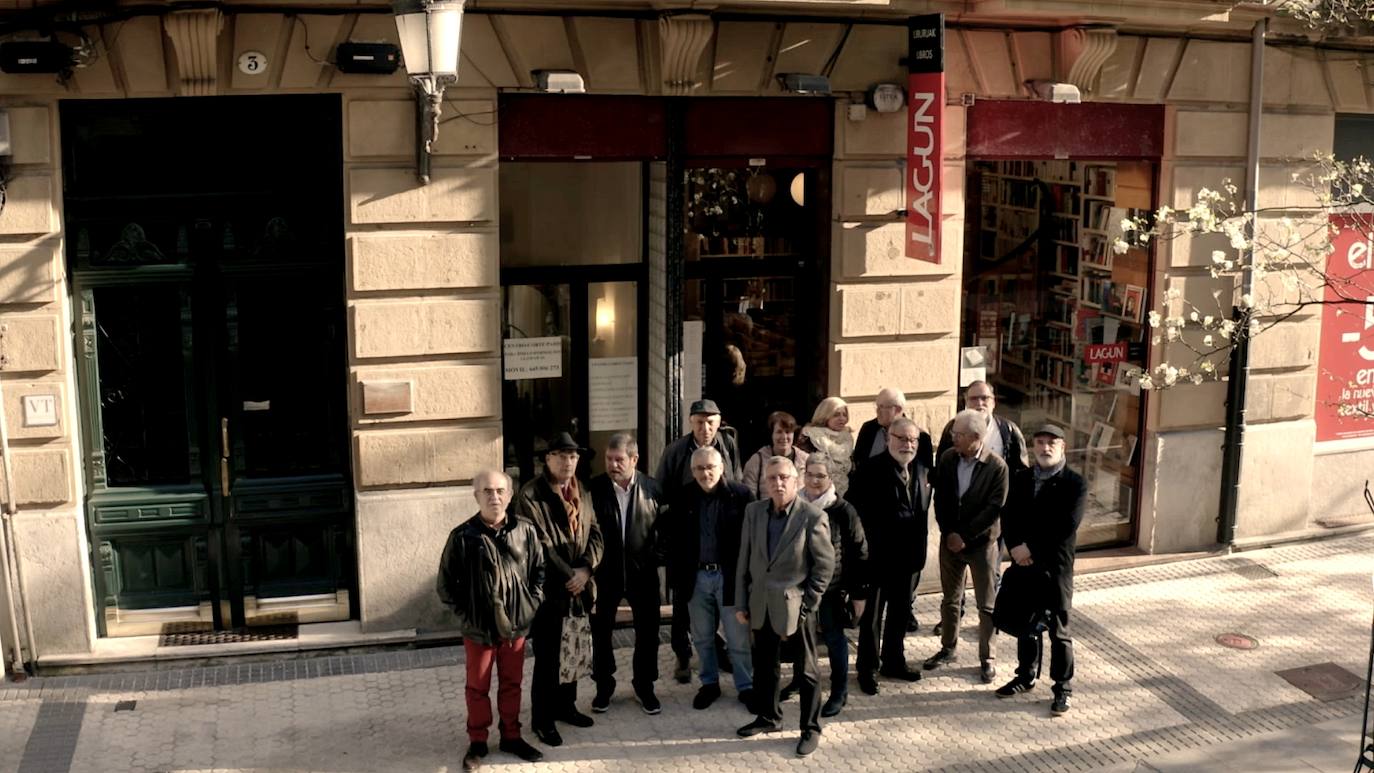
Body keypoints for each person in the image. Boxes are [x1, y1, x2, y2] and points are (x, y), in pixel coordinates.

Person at [437, 470, 546, 770]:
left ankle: (511, 736)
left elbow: (539, 571)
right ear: (476, 496)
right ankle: (478, 742)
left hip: (515, 627)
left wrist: (530, 604)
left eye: (500, 490)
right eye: (487, 491)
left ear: (510, 495)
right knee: (477, 687)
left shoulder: (525, 530)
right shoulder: (462, 536)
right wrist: (469, 615)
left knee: (512, 684)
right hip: (479, 631)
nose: (494, 496)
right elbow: (445, 586)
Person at [733, 456, 835, 757]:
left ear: (796, 480)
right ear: (765, 482)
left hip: (796, 607)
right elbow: (744, 560)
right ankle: (769, 717)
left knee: (807, 672)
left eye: (784, 478)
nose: (777, 483)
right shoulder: (753, 512)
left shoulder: (812, 517)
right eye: (772, 478)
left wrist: (807, 605)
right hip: (760, 603)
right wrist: (741, 601)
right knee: (765, 667)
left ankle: (811, 728)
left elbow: (824, 568)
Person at [516, 432, 604, 748]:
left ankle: (567, 707)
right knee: (549, 657)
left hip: (579, 587)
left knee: (575, 651)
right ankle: (542, 720)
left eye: (573, 456)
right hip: (551, 591)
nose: (568, 461)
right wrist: (571, 576)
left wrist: (586, 570)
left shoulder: (583, 489)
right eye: (562, 455)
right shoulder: (530, 495)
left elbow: (595, 533)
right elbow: (540, 544)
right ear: (548, 459)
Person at [996, 424, 1086, 715]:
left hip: (1054, 567)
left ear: (1063, 448)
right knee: (1026, 625)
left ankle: (1063, 688)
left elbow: (1065, 526)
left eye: (1052, 443)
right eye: (1040, 442)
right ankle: (1025, 675)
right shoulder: (1022, 478)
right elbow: (1008, 515)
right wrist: (1015, 547)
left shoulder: (1075, 483)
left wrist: (1029, 548)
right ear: (1033, 446)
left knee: (1059, 632)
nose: (1045, 448)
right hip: (1024, 563)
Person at [655, 398, 743, 682]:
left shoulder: (728, 445)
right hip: (687, 541)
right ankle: (682, 654)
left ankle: (719, 652)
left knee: (722, 602)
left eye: (710, 422)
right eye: (699, 422)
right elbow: (660, 494)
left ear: (719, 423)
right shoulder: (676, 451)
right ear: (690, 423)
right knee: (683, 603)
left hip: (720, 535)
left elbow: (737, 480)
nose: (705, 428)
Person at [846, 417, 933, 695]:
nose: (907, 444)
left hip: (909, 559)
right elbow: (854, 516)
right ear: (888, 439)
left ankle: (894, 661)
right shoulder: (869, 471)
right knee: (871, 617)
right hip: (877, 559)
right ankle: (867, 668)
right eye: (901, 438)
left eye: (912, 440)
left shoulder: (921, 468)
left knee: (900, 613)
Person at [664, 446, 755, 711]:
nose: (705, 473)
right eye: (699, 468)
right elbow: (672, 540)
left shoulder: (741, 495)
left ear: (721, 468)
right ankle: (709, 684)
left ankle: (746, 686)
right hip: (696, 578)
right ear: (692, 471)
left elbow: (751, 540)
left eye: (710, 467)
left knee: (737, 638)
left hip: (730, 578)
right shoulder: (682, 497)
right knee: (702, 637)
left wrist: (747, 579)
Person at [778, 453, 869, 717]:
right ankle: (799, 679)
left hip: (831, 588)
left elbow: (860, 551)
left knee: (833, 638)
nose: (815, 480)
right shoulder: (794, 504)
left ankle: (839, 691)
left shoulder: (843, 510)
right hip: (798, 586)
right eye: (810, 474)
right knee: (799, 637)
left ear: (831, 478)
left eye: (821, 475)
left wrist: (858, 592)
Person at [924, 410, 1010, 684]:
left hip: (981, 545)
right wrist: (949, 532)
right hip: (951, 541)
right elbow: (941, 498)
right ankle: (948, 647)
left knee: (986, 605)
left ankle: (988, 658)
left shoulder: (997, 467)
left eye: (958, 435)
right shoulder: (948, 458)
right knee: (950, 599)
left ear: (975, 437)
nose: (953, 438)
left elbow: (993, 508)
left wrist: (965, 536)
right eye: (953, 434)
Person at [588, 433, 665, 716]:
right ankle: (603, 688)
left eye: (619, 459)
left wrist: (655, 558)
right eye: (609, 459)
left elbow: (665, 530)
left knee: (648, 633)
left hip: (642, 575)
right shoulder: (594, 489)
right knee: (601, 633)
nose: (613, 464)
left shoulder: (653, 489)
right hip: (604, 575)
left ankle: (645, 686)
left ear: (634, 459)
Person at [936, 381, 1029, 475]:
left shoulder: (1008, 430)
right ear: (966, 402)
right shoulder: (952, 429)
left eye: (984, 398)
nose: (979, 403)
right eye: (973, 399)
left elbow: (1021, 471)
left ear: (993, 402)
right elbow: (941, 468)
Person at [742, 411, 809, 499]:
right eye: (779, 432)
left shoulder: (806, 460)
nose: (784, 437)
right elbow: (749, 495)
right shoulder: (757, 461)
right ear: (771, 434)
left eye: (788, 432)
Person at [797, 397, 855, 496]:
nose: (842, 418)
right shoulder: (811, 438)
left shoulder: (847, 439)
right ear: (825, 416)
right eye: (836, 415)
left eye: (844, 415)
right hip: (814, 495)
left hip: (843, 496)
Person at [852, 388, 907, 466]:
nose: (877, 411)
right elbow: (858, 460)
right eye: (877, 406)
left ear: (897, 410)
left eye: (881, 407)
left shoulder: (917, 437)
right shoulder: (868, 428)